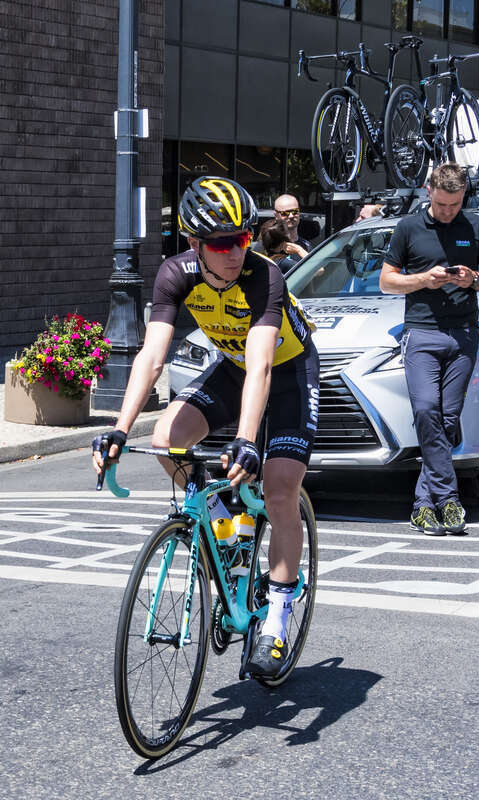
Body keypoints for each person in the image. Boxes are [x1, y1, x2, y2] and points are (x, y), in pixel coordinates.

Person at [92, 176, 319, 677]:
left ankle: (278, 620)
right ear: (195, 244)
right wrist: (119, 427)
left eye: (241, 238)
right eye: (220, 243)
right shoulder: (176, 274)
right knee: (165, 440)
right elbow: (152, 356)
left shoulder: (265, 276)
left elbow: (263, 366)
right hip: (235, 366)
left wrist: (244, 442)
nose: (235, 251)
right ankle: (223, 517)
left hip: (288, 372)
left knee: (281, 491)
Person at [379, 163, 479, 536]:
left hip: (464, 334)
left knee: (447, 421)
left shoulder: (476, 226)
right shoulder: (408, 227)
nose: (449, 211)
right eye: (443, 203)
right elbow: (386, 281)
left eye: (456, 204)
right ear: (427, 190)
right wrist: (422, 280)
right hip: (421, 334)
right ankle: (448, 501)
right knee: (427, 410)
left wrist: (475, 278)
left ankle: (422, 505)